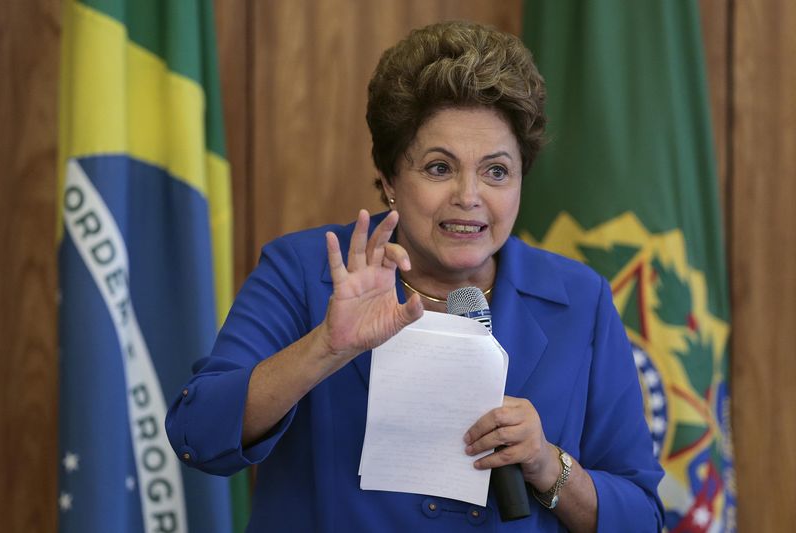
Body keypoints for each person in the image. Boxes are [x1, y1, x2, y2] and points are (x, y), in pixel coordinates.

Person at [166, 20, 664, 532]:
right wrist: (326, 348)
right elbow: (196, 435)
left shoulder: (579, 300)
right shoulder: (305, 272)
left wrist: (546, 465)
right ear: (389, 181)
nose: (469, 196)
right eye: (439, 168)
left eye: (496, 171)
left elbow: (642, 519)